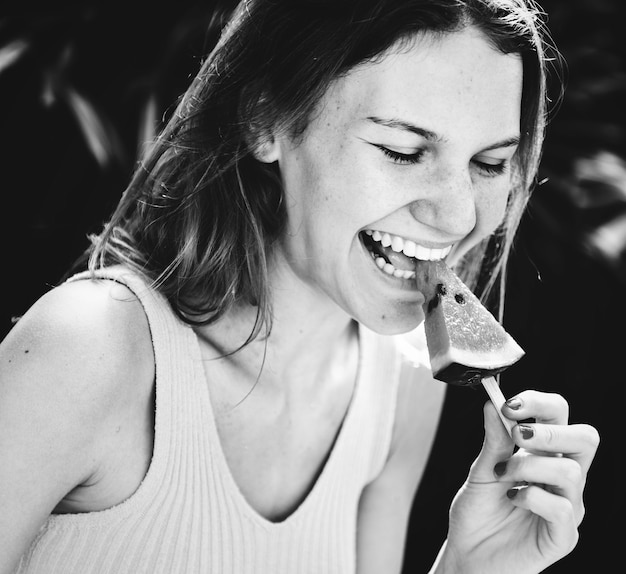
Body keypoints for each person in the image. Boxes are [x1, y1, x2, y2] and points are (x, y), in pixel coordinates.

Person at [0, 1, 600, 572]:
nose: (458, 215)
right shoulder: (88, 352)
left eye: (490, 164)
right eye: (403, 151)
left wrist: (472, 567)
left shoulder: (403, 387)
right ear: (267, 119)